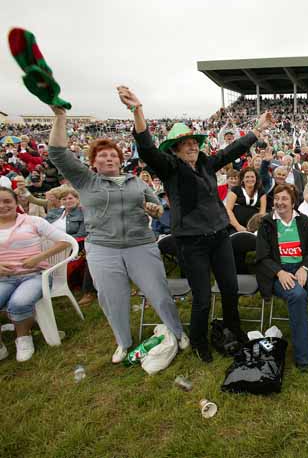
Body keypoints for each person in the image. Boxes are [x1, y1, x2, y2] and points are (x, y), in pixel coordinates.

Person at [118, 85, 274, 363]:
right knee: (202, 297)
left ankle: (233, 327)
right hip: (191, 242)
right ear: (176, 149)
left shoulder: (204, 163)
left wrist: (257, 130)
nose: (192, 146)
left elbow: (230, 151)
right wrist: (138, 111)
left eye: (194, 142)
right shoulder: (169, 168)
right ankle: (200, 339)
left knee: (229, 288)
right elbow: (146, 148)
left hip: (218, 237)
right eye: (186, 143)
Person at [48, 106, 187, 364]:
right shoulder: (86, 181)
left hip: (141, 245)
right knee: (113, 298)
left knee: (158, 293)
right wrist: (60, 117)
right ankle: (123, 342)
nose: (109, 158)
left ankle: (178, 332)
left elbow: (156, 209)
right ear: (93, 162)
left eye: (114, 155)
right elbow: (57, 153)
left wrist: (155, 209)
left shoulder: (138, 183)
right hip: (103, 248)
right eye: (103, 156)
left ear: (121, 161)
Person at [255, 184, 308, 371]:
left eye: (284, 199)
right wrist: (279, 272)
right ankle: (303, 358)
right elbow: (262, 257)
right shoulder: (267, 223)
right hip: (280, 271)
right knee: (297, 296)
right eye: (277, 199)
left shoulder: (303, 221)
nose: (280, 202)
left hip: (304, 268)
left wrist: (304, 268)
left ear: (293, 202)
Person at [0, 187, 72, 362]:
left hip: (33, 275)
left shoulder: (32, 221)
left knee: (19, 302)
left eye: (7, 201)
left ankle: (23, 338)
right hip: (3, 278)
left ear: (16, 203)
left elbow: (65, 241)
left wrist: (38, 257)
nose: (2, 206)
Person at [226, 167, 267, 232]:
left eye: (252, 177)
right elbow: (228, 210)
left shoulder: (261, 192)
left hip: (254, 228)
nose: (250, 179)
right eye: (247, 177)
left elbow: (262, 213)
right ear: (242, 179)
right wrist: (238, 226)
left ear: (256, 178)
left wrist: (254, 229)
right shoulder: (235, 190)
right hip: (234, 227)